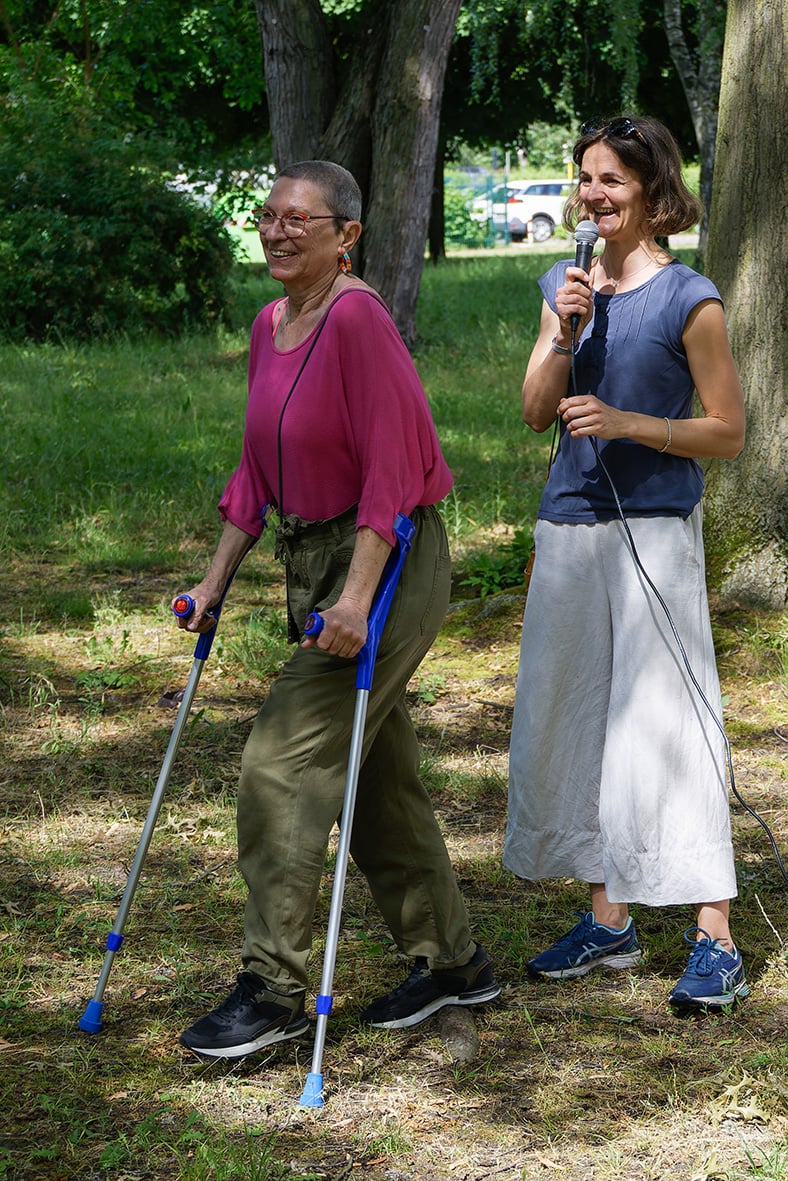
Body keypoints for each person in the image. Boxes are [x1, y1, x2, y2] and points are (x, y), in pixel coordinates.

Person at [175, 160, 500, 1059]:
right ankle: (454, 962)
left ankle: (273, 987)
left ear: (345, 235)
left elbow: (394, 468)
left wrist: (356, 595)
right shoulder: (269, 324)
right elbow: (256, 471)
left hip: (385, 558)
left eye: (301, 220)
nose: (279, 231)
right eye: (269, 216)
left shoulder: (358, 319)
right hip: (314, 557)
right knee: (377, 775)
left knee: (284, 760)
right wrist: (213, 582)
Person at [504, 117, 748, 1010]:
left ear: (651, 191)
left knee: (669, 728)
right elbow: (536, 411)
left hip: (654, 532)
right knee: (575, 721)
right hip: (569, 529)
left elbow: (727, 431)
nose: (591, 194)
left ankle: (714, 937)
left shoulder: (692, 298)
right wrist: (565, 332)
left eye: (610, 180)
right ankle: (608, 922)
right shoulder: (564, 285)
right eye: (583, 179)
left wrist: (629, 422)